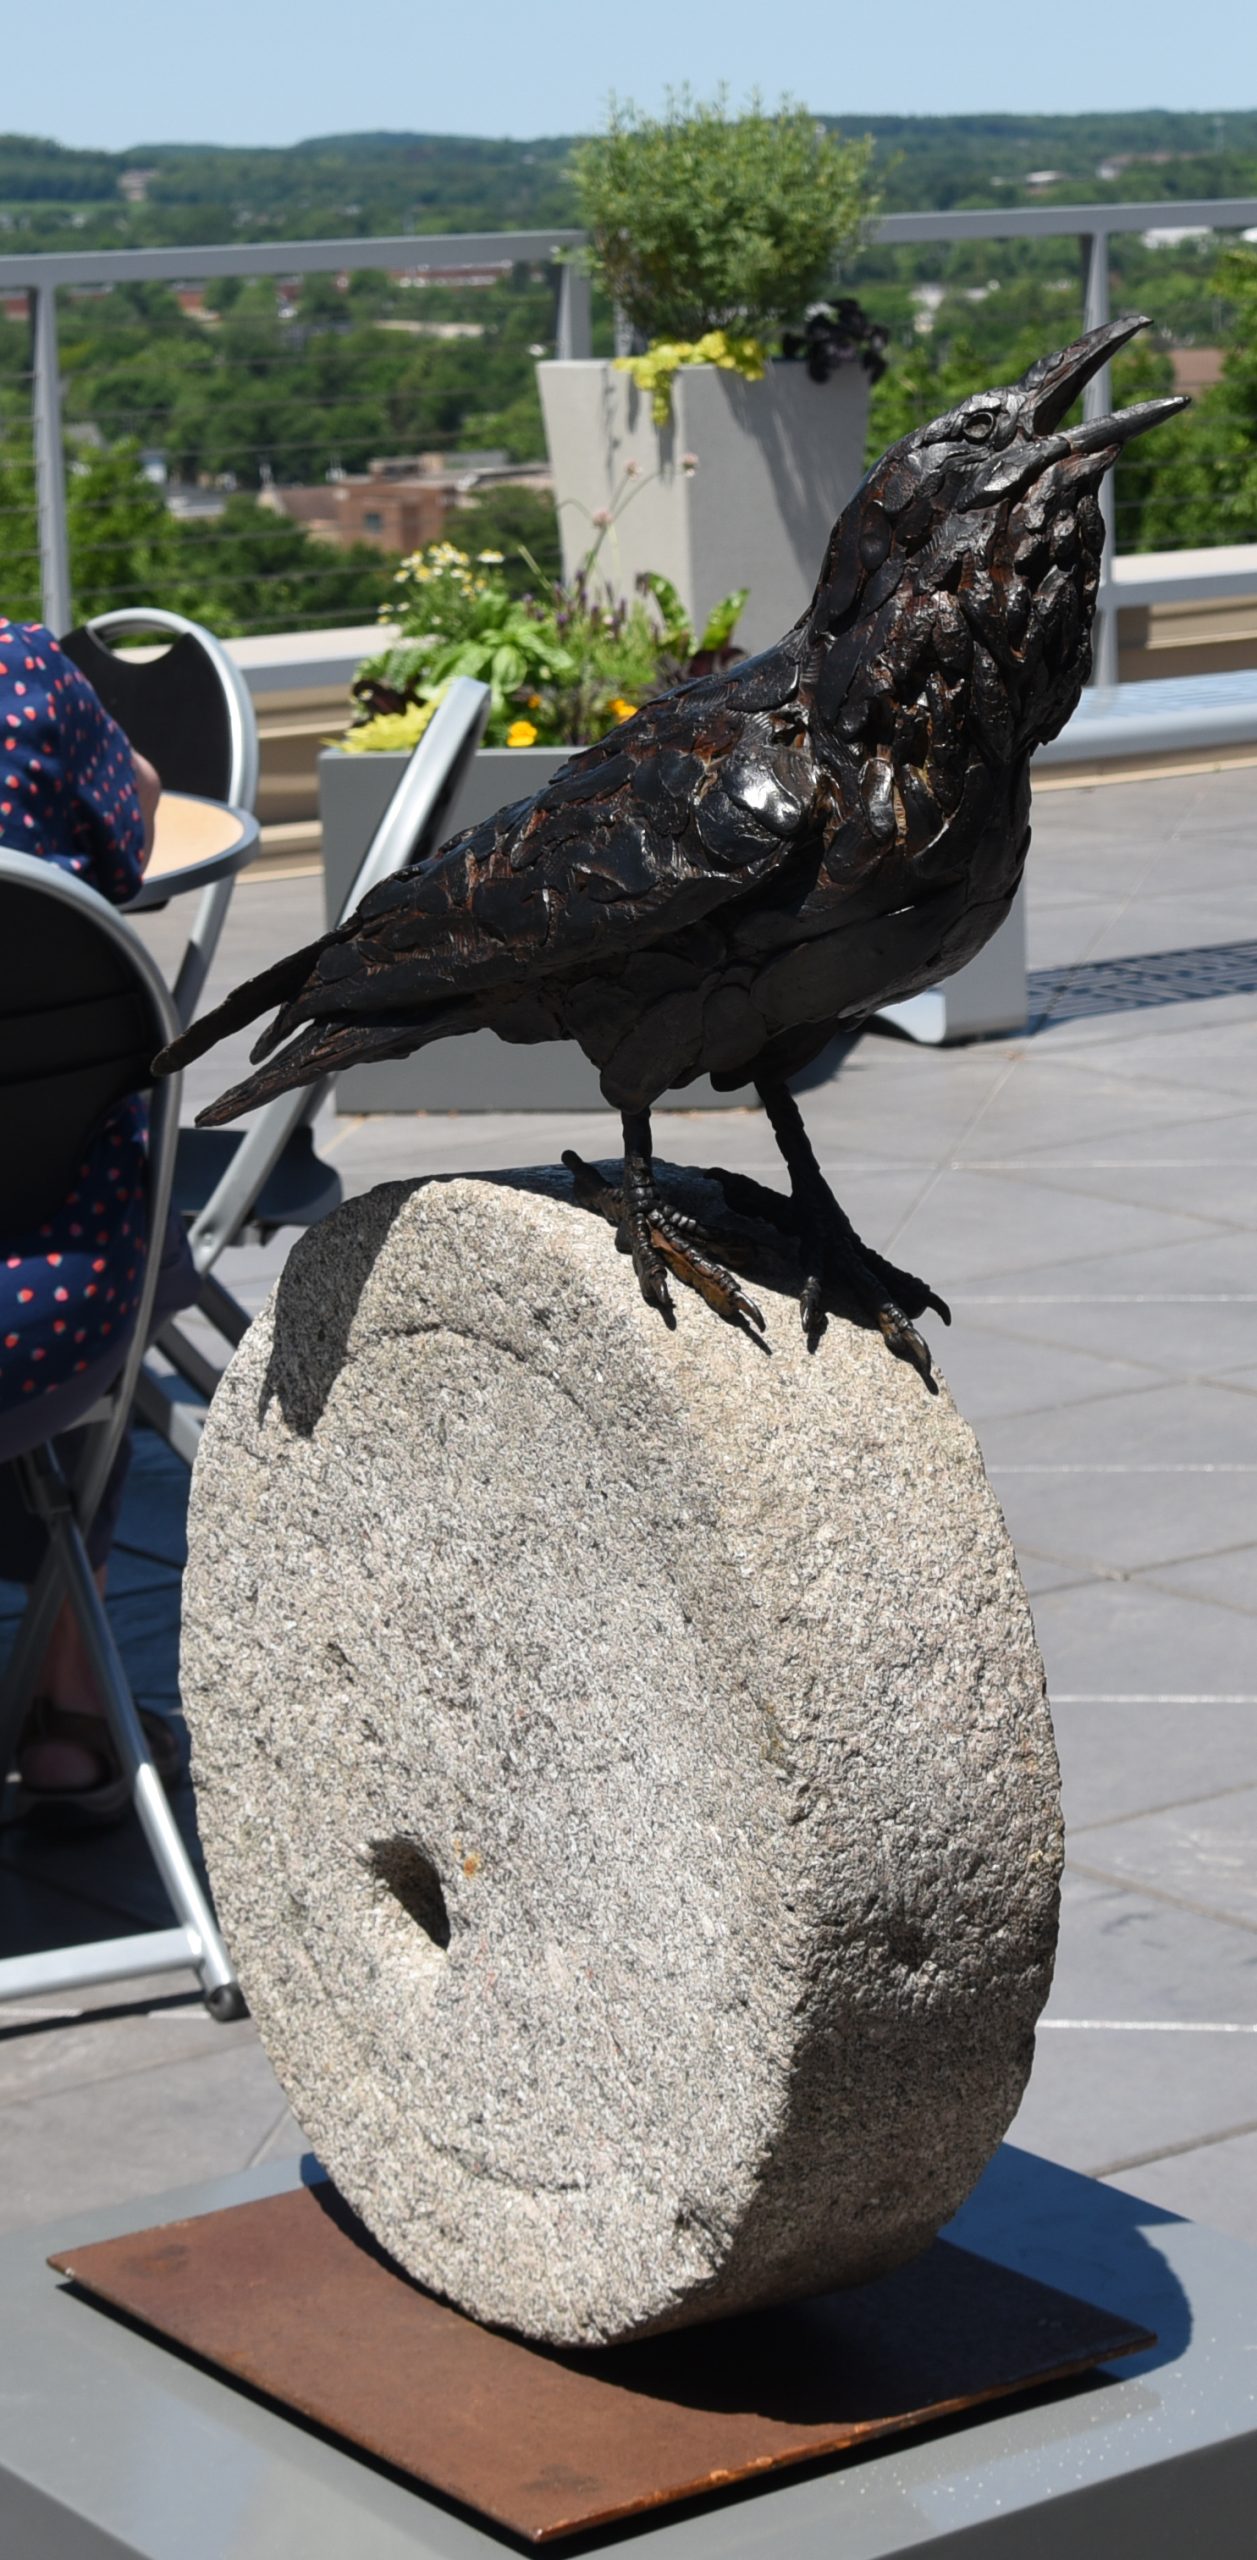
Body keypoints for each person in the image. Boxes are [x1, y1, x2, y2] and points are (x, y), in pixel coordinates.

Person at [0, 615, 196, 1823]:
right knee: (107, 1189)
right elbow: (129, 835)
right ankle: (73, 1710)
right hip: (47, 1330)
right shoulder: (23, 676)